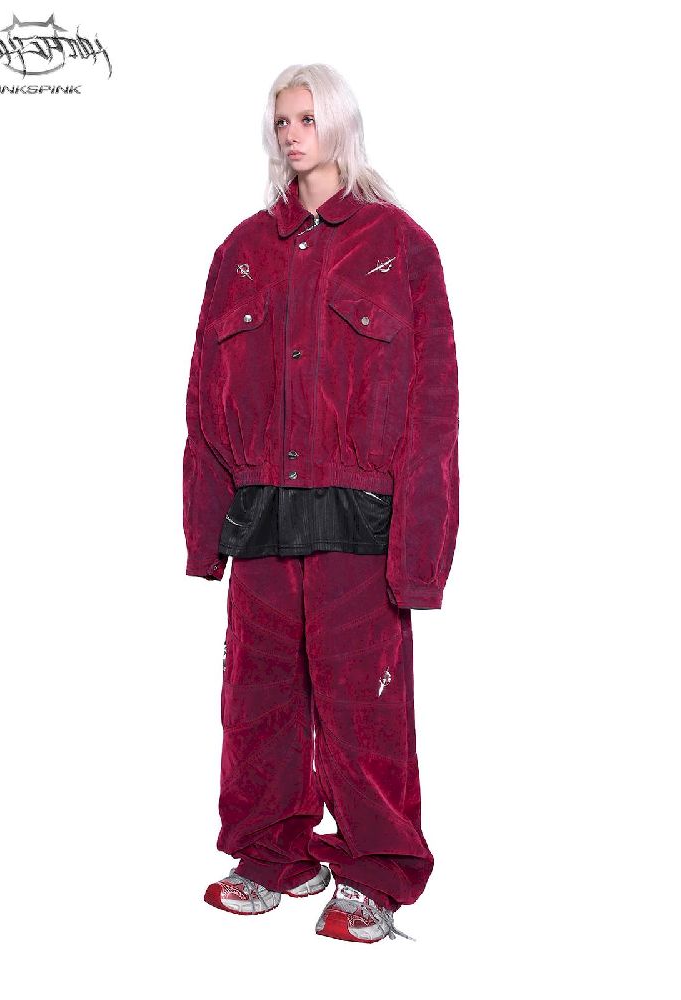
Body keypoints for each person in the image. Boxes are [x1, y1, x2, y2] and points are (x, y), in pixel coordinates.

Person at [182, 63, 459, 944]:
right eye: (281, 120)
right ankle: (273, 856)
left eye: (306, 118)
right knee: (256, 701)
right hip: (263, 519)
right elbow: (203, 401)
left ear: (338, 124)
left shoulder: (399, 246)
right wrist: (204, 531)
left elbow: (433, 408)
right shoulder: (241, 251)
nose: (291, 134)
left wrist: (420, 552)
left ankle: (377, 875)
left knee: (363, 708)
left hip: (358, 526)